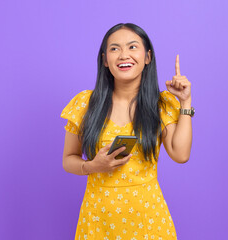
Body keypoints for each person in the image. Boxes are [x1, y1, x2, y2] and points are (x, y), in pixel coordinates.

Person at [60, 23, 194, 240]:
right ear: (105, 60)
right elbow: (68, 160)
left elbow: (180, 155)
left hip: (149, 221)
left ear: (147, 57)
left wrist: (185, 101)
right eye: (114, 49)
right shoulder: (85, 103)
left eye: (132, 47)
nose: (124, 55)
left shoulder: (160, 104)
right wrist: (92, 166)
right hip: (98, 221)